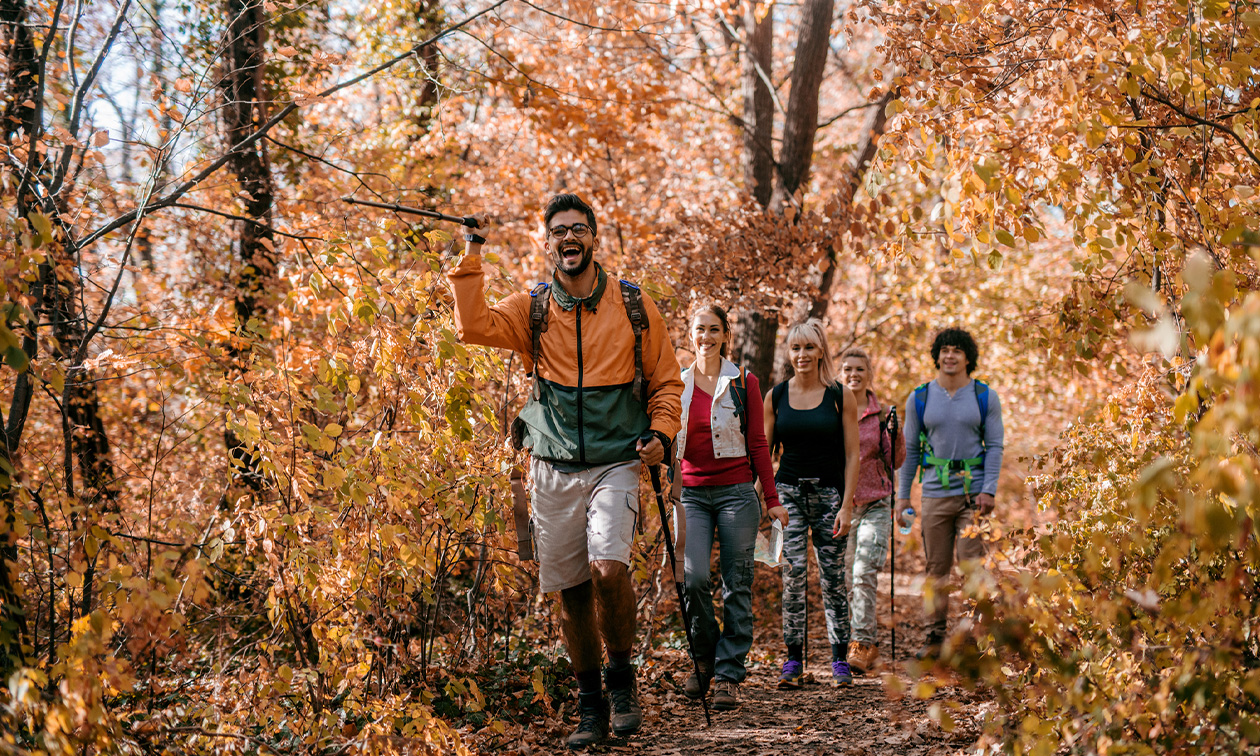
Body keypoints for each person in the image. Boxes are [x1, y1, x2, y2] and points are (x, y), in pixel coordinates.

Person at [448, 193, 683, 749]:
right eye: (558, 231)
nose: (568, 238)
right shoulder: (532, 308)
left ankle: (622, 683)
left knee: (608, 570)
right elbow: (473, 326)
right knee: (572, 591)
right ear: (546, 242)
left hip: (616, 461)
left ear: (594, 239)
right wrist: (473, 251)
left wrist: (662, 434)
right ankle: (590, 705)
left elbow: (667, 381)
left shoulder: (632, 305)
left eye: (579, 229)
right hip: (551, 465)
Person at [676, 303, 788, 711]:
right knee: (693, 579)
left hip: (737, 495)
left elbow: (758, 443)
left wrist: (771, 500)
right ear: (691, 335)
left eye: (714, 329)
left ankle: (727, 674)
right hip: (691, 495)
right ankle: (704, 657)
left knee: (736, 584)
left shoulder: (743, 381)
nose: (705, 336)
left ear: (726, 335)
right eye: (699, 329)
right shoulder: (676, 382)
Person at [896, 328, 1004, 660]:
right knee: (936, 568)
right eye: (944, 350)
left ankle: (973, 637)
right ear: (937, 355)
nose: (950, 355)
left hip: (974, 497)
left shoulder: (985, 396)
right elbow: (909, 449)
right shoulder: (920, 397)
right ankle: (933, 639)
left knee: (972, 567)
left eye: (957, 350)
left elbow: (995, 446)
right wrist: (903, 497)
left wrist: (988, 489)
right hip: (934, 494)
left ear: (968, 357)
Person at [764, 318, 860, 688]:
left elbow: (853, 455)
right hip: (787, 495)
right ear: (789, 353)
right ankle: (793, 660)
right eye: (796, 348)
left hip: (829, 496)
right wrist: (761, 498)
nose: (802, 355)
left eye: (809, 347)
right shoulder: (776, 396)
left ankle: (839, 660)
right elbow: (765, 454)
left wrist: (847, 505)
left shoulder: (840, 395)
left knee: (833, 579)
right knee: (793, 577)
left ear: (821, 351)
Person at [836, 346, 905, 675]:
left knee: (863, 570)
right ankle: (857, 642)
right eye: (847, 369)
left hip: (876, 502)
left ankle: (861, 644)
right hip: (842, 506)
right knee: (847, 576)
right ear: (840, 373)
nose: (853, 374)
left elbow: (896, 461)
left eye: (859, 369)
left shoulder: (882, 415)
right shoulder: (832, 409)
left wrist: (895, 432)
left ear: (869, 374)